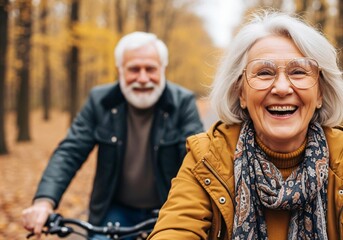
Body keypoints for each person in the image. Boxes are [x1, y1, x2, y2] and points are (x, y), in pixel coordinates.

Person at [148, 10, 343, 240]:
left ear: (320, 93)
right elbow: (175, 230)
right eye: (264, 72)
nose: (281, 88)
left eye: (298, 72)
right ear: (240, 92)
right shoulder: (208, 157)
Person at [22, 31, 204, 239]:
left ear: (163, 70)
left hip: (169, 208)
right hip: (115, 210)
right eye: (134, 69)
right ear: (119, 71)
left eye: (150, 69)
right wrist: (44, 202)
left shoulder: (182, 103)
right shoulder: (100, 101)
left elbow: (197, 160)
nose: (143, 78)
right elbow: (70, 151)